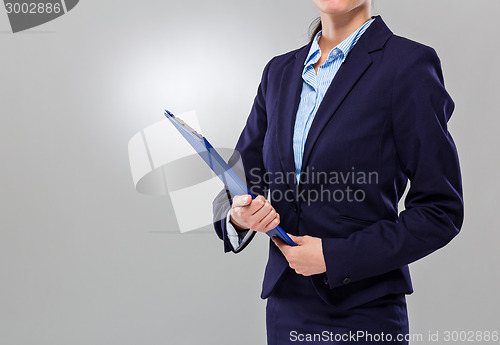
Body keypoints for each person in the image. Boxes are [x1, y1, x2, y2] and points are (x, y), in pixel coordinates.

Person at [212, 0, 464, 344]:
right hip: (286, 308)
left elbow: (440, 211)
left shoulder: (408, 65)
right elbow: (240, 181)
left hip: (362, 310)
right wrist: (239, 216)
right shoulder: (279, 72)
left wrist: (334, 257)